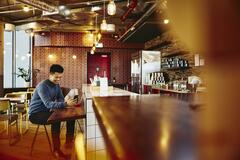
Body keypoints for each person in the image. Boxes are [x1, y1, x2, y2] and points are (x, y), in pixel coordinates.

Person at [29, 64, 77, 159]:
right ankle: (56, 150)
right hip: (36, 114)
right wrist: (65, 104)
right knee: (57, 119)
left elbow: (60, 98)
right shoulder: (42, 86)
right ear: (50, 74)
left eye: (60, 77)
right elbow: (48, 104)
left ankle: (68, 142)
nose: (58, 79)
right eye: (56, 77)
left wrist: (65, 104)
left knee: (71, 116)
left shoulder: (56, 85)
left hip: (47, 111)